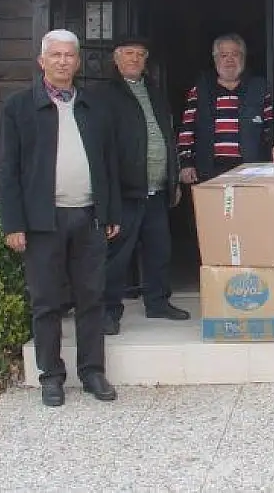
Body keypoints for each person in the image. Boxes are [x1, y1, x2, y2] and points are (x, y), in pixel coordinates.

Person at [0, 29, 121, 407]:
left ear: (78, 62)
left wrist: (110, 210)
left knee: (91, 298)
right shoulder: (19, 107)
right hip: (42, 222)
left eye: (70, 55)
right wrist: (14, 224)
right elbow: (8, 170)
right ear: (42, 61)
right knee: (47, 300)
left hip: (88, 216)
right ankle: (50, 375)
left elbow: (108, 163)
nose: (63, 61)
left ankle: (92, 372)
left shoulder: (94, 106)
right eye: (56, 55)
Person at [90, 36, 190, 337]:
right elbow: (100, 147)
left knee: (160, 250)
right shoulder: (103, 95)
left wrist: (173, 180)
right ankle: (108, 311)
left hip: (157, 188)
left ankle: (157, 302)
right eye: (128, 54)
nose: (134, 59)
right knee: (117, 255)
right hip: (125, 190)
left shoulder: (156, 93)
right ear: (116, 60)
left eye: (140, 55)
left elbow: (168, 139)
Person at [177, 33, 274, 184]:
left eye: (235, 54)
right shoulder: (200, 89)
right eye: (223, 55)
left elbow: (271, 130)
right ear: (215, 59)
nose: (229, 60)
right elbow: (186, 130)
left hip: (251, 171)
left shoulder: (260, 88)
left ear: (243, 58)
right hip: (209, 170)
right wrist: (186, 163)